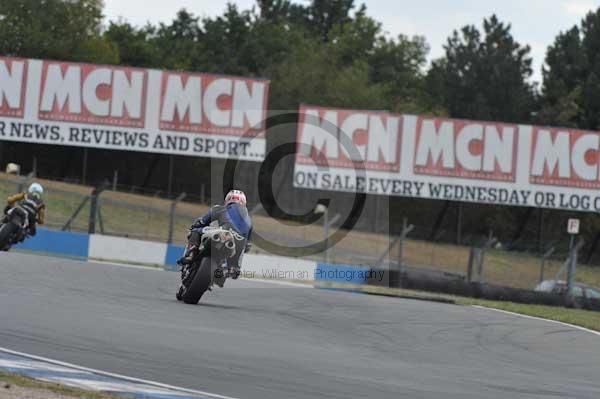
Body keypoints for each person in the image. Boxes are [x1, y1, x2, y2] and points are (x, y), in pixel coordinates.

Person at [177, 189, 252, 279]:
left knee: (196, 230)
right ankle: (233, 268)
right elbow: (248, 245)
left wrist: (194, 227)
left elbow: (201, 221)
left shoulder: (220, 208)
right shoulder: (249, 220)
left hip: (222, 232)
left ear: (227, 200)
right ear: (243, 202)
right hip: (239, 241)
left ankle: (191, 254)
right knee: (242, 247)